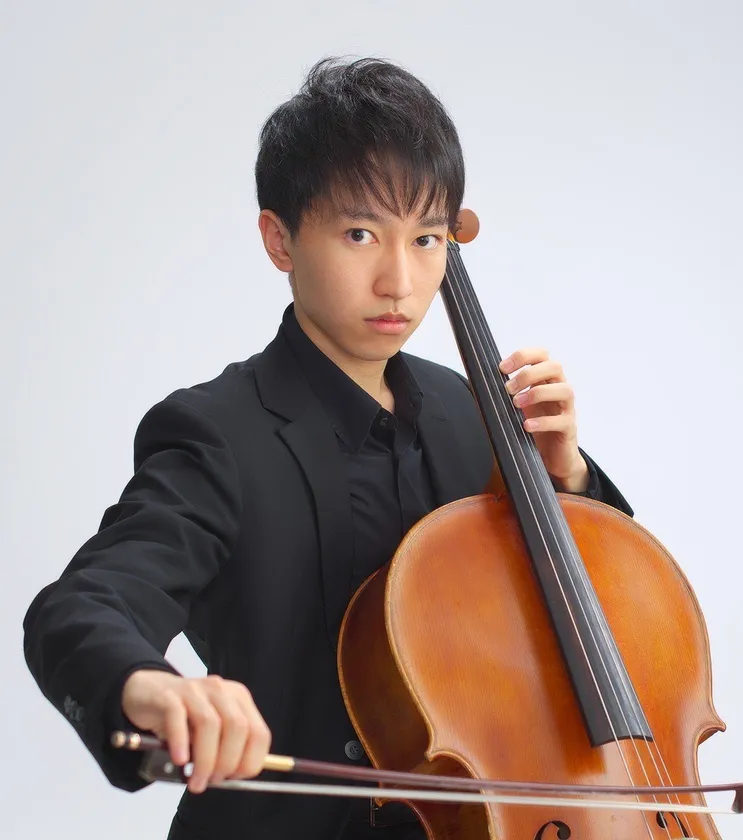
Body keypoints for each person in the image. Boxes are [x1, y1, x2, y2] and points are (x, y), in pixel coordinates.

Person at [23, 57, 633, 840]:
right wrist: (148, 684)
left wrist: (564, 479)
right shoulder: (216, 432)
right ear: (279, 239)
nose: (399, 280)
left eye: (427, 238)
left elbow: (610, 624)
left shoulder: (472, 412)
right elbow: (82, 605)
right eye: (359, 234)